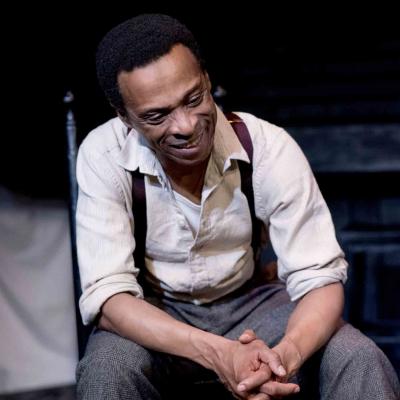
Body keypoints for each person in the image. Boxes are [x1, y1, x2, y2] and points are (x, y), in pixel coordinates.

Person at [75, 13, 400, 400]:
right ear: (123, 116)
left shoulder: (266, 147)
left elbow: (320, 279)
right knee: (105, 372)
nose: (185, 126)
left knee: (359, 357)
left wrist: (285, 355)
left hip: (253, 303)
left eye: (194, 99)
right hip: (156, 313)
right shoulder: (104, 155)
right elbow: (110, 300)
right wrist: (218, 352)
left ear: (207, 80)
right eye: (157, 115)